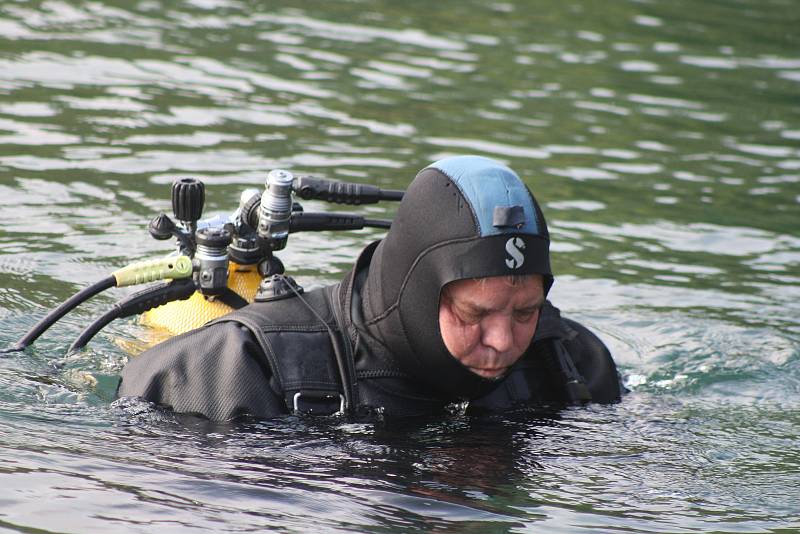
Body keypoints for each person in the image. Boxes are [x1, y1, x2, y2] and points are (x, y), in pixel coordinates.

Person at [117, 155, 623, 420]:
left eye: (525, 311)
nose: (504, 342)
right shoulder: (235, 372)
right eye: (474, 314)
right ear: (417, 290)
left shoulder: (568, 362)